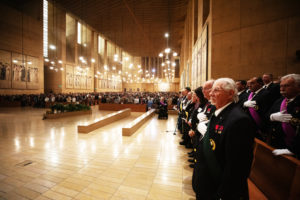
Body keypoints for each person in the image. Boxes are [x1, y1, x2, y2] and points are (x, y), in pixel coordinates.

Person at [192, 78, 255, 200]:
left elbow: (237, 166)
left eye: (216, 90)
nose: (210, 94)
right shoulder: (220, 112)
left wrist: (224, 195)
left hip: (216, 188)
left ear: (230, 93)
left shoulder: (238, 120)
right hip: (207, 183)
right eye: (211, 90)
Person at [268, 74, 300, 158]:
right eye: (281, 86)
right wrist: (272, 117)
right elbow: (266, 116)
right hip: (278, 144)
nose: (282, 89)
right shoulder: (279, 101)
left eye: (286, 86)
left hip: (294, 150)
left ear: (298, 87)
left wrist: (293, 149)